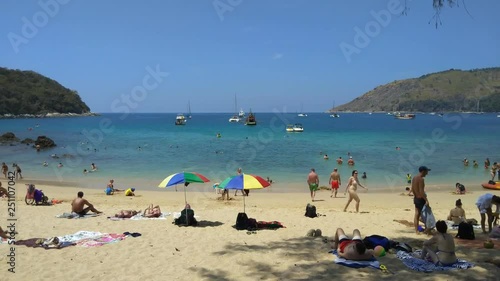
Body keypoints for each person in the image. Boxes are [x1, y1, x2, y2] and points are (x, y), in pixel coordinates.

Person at [412, 166, 430, 234]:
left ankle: (416, 230)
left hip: (416, 198)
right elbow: (421, 191)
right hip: (421, 199)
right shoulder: (421, 179)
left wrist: (415, 195)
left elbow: (413, 188)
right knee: (425, 214)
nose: (427, 173)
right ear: (423, 171)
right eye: (426, 171)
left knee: (416, 214)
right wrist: (426, 200)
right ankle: (426, 230)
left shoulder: (414, 178)